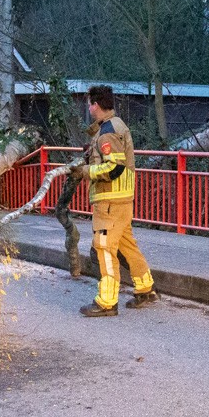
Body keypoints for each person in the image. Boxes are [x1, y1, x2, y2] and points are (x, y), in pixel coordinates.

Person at [77, 85, 156, 317]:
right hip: (122, 199)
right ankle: (145, 287)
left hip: (109, 201)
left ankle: (107, 301)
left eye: (90, 103)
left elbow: (114, 167)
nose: (88, 107)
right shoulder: (116, 125)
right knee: (126, 244)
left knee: (104, 248)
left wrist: (85, 171)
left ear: (96, 105)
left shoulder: (107, 132)